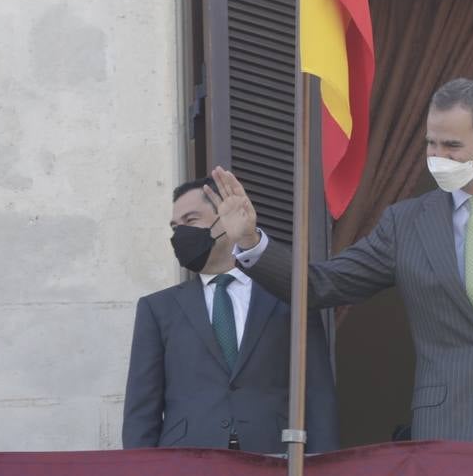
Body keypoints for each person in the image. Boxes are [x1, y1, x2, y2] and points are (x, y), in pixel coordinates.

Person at [214, 78, 473, 444]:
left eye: (451, 146)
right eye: (430, 144)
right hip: (446, 426)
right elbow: (322, 285)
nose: (437, 156)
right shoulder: (405, 223)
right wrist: (251, 242)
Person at [122, 178, 339, 454]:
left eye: (190, 220)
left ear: (226, 220)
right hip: (187, 467)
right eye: (175, 228)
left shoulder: (288, 296)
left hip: (276, 461)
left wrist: (324, 471)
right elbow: (141, 411)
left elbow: (318, 396)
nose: (180, 235)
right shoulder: (157, 309)